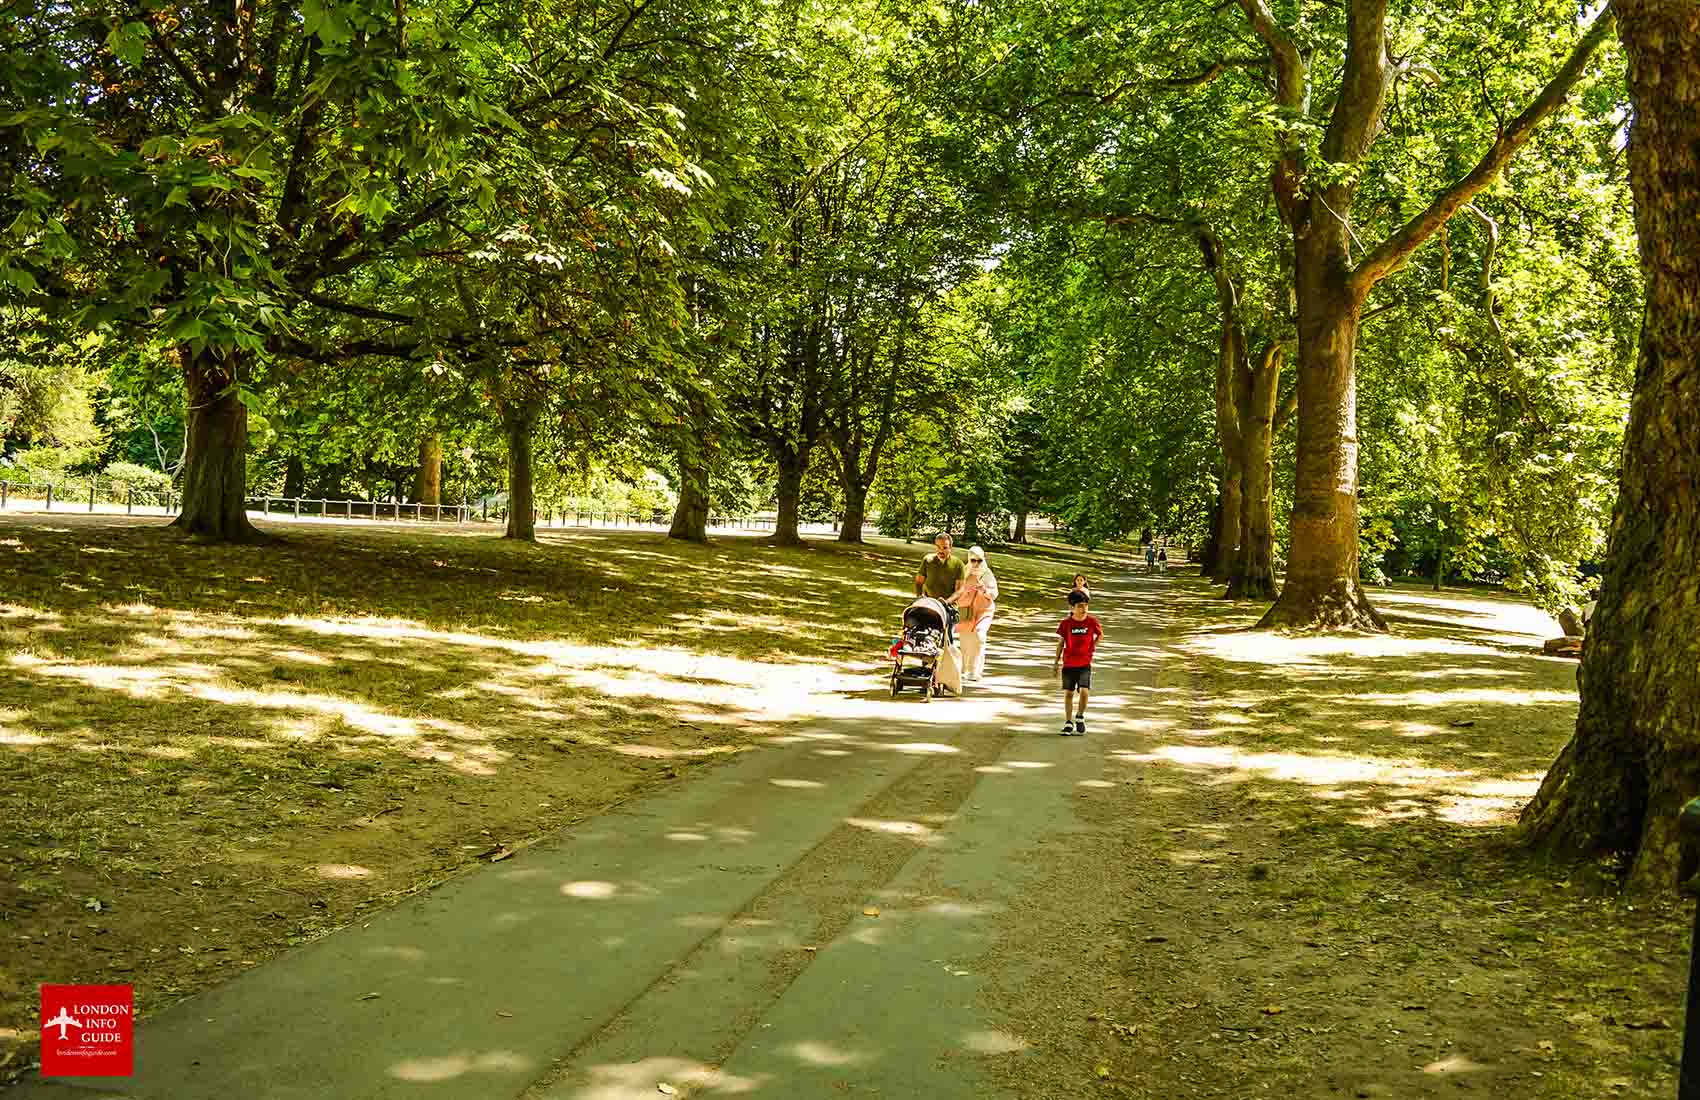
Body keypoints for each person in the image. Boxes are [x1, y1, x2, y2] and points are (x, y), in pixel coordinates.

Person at [1052, 589, 1103, 736]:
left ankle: (1080, 716)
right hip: (1069, 664)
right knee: (1069, 693)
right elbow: (1061, 643)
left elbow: (1100, 635)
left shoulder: (1091, 621)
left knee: (1084, 692)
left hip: (1084, 664)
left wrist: (1092, 646)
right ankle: (1068, 722)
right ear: (1071, 608)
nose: (1084, 608)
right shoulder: (1066, 623)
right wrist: (1055, 663)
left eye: (1086, 605)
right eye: (1080, 606)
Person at [951, 546, 999, 681]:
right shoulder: (964, 573)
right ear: (969, 559)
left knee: (979, 637)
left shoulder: (987, 574)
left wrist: (984, 590)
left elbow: (994, 594)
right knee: (966, 641)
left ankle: (975, 671)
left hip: (984, 611)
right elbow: (957, 591)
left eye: (979, 560)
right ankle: (964, 669)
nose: (976, 563)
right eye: (973, 560)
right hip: (966, 611)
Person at [914, 532, 967, 638]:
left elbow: (960, 590)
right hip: (929, 605)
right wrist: (919, 596)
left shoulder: (958, 564)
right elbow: (919, 582)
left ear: (950, 548)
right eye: (938, 547)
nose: (941, 550)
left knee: (947, 639)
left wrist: (947, 602)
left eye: (944, 548)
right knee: (922, 633)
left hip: (948, 608)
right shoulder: (927, 560)